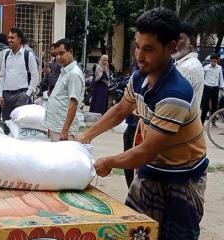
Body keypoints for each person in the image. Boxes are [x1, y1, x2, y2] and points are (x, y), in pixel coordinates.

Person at [76, 8, 207, 239]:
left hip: (182, 178)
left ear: (170, 47)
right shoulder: (139, 77)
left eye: (148, 49)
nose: (139, 55)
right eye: (137, 46)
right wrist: (86, 136)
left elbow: (146, 151)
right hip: (152, 171)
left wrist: (109, 162)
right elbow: (119, 110)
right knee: (136, 232)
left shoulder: (176, 93)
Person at [43, 39, 85, 141]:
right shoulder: (64, 72)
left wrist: (65, 130)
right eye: (56, 54)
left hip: (63, 130)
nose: (58, 57)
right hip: (56, 127)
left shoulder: (74, 74)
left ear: (70, 52)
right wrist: (50, 125)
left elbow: (73, 103)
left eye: (61, 53)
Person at [0, 27, 39, 121]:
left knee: (20, 123)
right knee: (6, 123)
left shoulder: (28, 55)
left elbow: (35, 76)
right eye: (8, 38)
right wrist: (0, 94)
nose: (9, 40)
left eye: (12, 38)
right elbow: (2, 75)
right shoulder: (6, 55)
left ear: (19, 40)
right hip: (6, 96)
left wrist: (27, 94)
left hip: (21, 95)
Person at [173, 22, 204, 110]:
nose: (174, 43)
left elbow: (173, 103)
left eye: (179, 39)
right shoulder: (184, 63)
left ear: (192, 42)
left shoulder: (187, 67)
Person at [201, 53, 224, 125]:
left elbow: (221, 78)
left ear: (217, 61)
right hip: (206, 88)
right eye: (212, 61)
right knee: (205, 106)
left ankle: (213, 122)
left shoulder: (219, 68)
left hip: (215, 88)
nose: (213, 63)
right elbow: (202, 78)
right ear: (210, 60)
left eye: (215, 61)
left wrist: (222, 87)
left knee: (214, 106)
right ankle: (202, 122)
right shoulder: (205, 67)